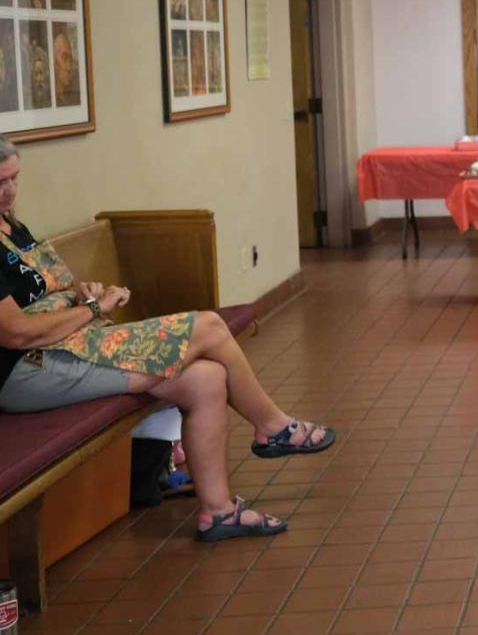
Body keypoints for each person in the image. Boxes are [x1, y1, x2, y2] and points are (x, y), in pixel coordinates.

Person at [0, 137, 335, 541]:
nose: (10, 191)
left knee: (207, 379)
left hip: (71, 342)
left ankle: (218, 512)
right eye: (0, 182)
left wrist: (81, 294)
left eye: (15, 178)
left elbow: (44, 289)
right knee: (209, 327)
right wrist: (92, 309)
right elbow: (15, 332)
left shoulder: (12, 226)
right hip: (29, 369)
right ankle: (273, 426)